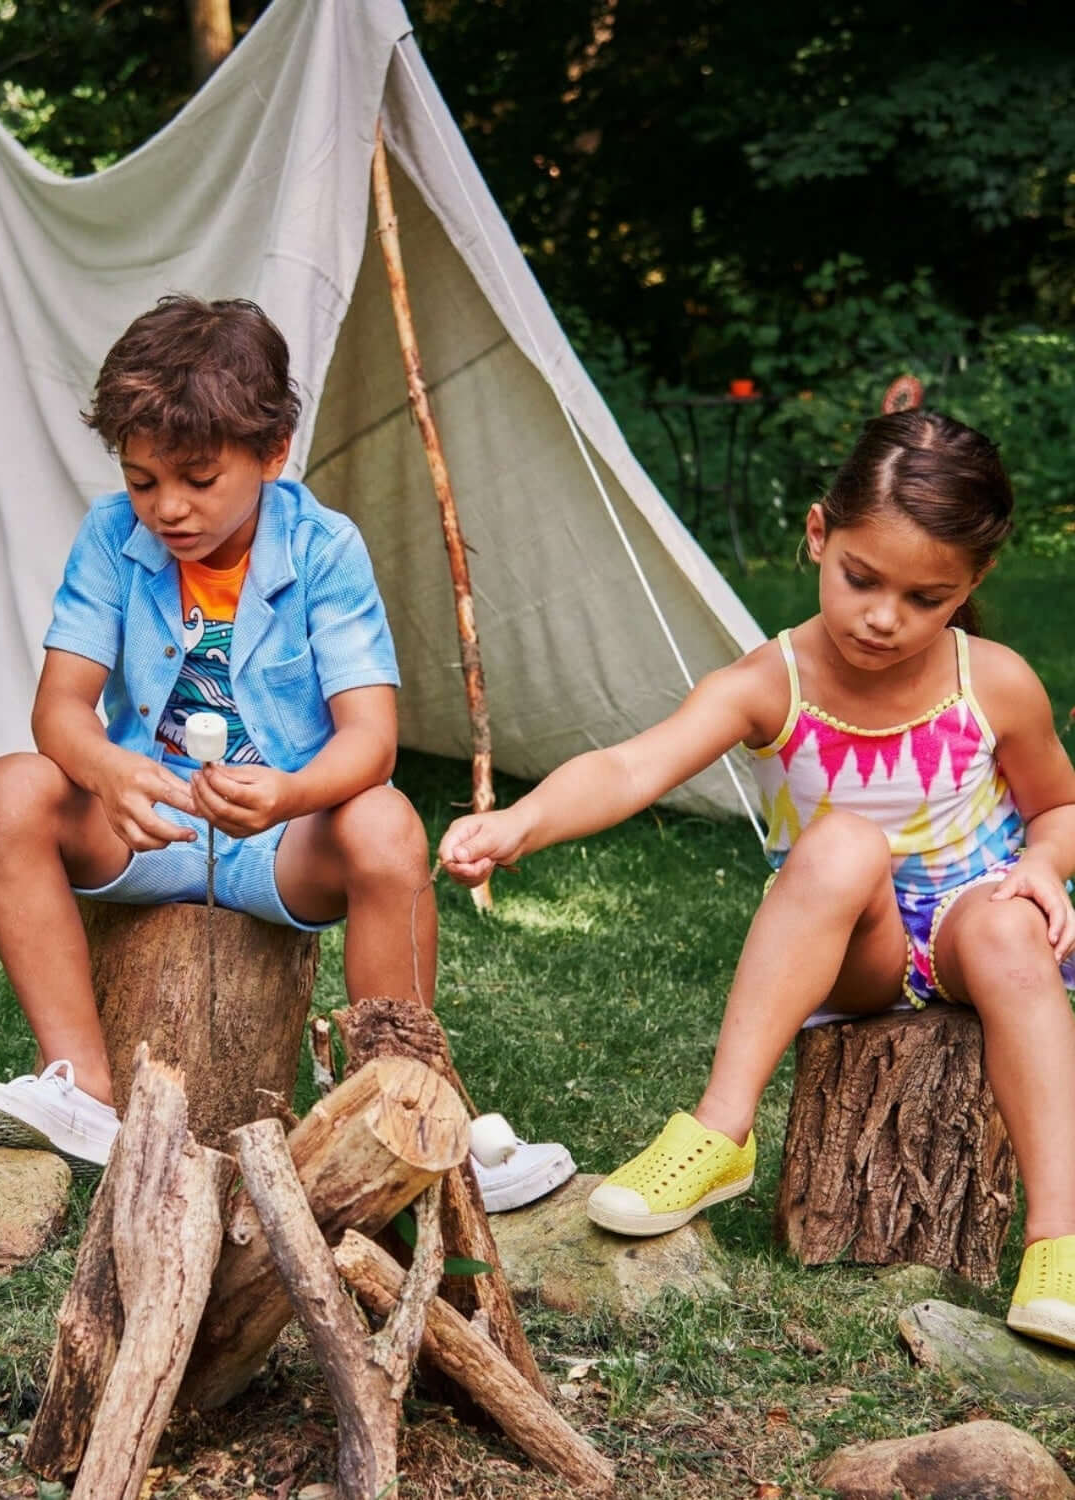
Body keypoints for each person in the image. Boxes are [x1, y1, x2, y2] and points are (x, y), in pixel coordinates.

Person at [440, 410, 1075, 1345]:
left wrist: (1045, 867)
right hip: (854, 946)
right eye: (861, 578)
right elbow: (630, 767)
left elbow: (1059, 806)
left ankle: (1059, 1242)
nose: (883, 616)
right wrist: (518, 824)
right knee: (843, 844)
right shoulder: (772, 681)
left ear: (972, 582)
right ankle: (721, 1131)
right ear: (818, 534)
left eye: (925, 598)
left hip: (976, 927)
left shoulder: (997, 682)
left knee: (1010, 925)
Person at [0, 294, 573, 1211]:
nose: (168, 507)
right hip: (148, 827)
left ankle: (408, 1110)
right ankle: (79, 1090)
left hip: (280, 840)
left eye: (198, 479)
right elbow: (60, 709)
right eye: (142, 480)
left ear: (273, 452)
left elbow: (370, 740)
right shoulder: (111, 539)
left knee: (388, 826)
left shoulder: (324, 550)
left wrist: (288, 794)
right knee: (7, 791)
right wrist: (109, 771)